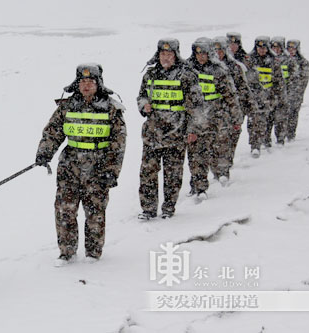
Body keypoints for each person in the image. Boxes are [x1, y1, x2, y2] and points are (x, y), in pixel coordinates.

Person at [35, 63, 126, 266]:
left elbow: (118, 143)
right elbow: (52, 132)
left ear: (98, 84)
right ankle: (67, 252)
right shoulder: (67, 107)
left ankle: (93, 254)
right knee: (64, 209)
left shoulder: (111, 108)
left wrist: (112, 171)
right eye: (82, 81)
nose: (86, 85)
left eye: (90, 81)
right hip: (70, 165)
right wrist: (44, 153)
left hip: (99, 166)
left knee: (95, 211)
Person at [137, 38, 203, 220]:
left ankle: (168, 207)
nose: (165, 58)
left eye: (169, 54)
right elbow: (141, 96)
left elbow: (196, 106)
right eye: (162, 54)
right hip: (152, 133)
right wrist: (144, 106)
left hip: (176, 133)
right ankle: (148, 209)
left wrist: (192, 129)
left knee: (172, 174)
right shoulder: (150, 75)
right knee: (147, 173)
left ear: (176, 55)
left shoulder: (187, 75)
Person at [185, 37, 243, 191]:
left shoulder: (219, 71)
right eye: (197, 53)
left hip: (217, 119)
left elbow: (231, 96)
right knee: (197, 155)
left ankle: (222, 174)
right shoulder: (188, 70)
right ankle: (198, 186)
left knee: (220, 149)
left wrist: (236, 118)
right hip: (196, 120)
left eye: (204, 53)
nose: (200, 57)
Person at [212, 36, 258, 168]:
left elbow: (244, 88)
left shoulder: (236, 67)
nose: (218, 54)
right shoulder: (206, 67)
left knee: (229, 140)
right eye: (215, 50)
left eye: (220, 50)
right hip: (213, 112)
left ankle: (224, 166)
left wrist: (249, 106)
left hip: (232, 109)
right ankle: (218, 167)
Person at [246, 36, 286, 157]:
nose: (261, 50)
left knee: (267, 121)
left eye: (264, 47)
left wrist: (275, 97)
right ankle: (255, 145)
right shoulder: (250, 60)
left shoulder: (274, 62)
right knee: (253, 121)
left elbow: (279, 82)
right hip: (253, 98)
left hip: (268, 98)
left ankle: (266, 139)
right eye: (259, 47)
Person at [266, 36, 293, 146]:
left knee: (281, 118)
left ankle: (281, 139)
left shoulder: (288, 60)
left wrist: (289, 92)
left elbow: (293, 78)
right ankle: (266, 140)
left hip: (283, 93)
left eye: (278, 47)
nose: (276, 50)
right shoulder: (269, 60)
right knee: (268, 118)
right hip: (270, 94)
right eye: (273, 47)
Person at [286, 39, 309, 141]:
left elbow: (304, 79)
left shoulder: (303, 62)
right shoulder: (283, 60)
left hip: (296, 93)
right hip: (284, 92)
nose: (291, 50)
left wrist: (296, 91)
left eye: (293, 48)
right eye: (289, 48)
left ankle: (291, 133)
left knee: (293, 113)